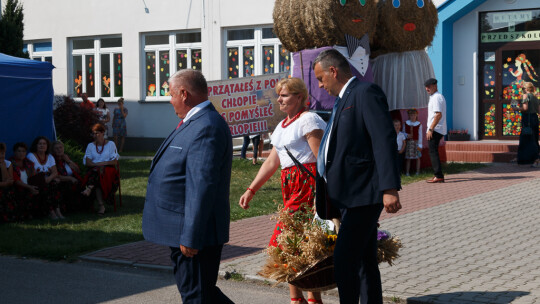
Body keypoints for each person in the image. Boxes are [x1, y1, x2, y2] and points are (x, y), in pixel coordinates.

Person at [312, 49, 401, 304]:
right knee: (363, 259)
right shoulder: (343, 98)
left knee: (344, 259)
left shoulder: (364, 93)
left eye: (321, 79)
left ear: (333, 71)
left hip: (365, 193)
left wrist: (389, 188)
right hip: (348, 195)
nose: (320, 86)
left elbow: (384, 140)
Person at [142, 69, 234, 304]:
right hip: (183, 229)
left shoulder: (207, 126)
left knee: (196, 296)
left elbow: (201, 185)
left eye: (171, 94)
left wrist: (191, 235)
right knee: (202, 293)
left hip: (194, 234)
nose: (169, 100)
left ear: (184, 94)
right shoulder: (195, 122)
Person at [239, 77, 326, 304]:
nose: (279, 99)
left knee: (287, 242)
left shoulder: (309, 120)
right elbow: (271, 162)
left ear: (299, 97)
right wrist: (251, 189)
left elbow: (323, 161)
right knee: (298, 244)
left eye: (285, 95)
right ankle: (299, 298)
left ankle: (307, 298)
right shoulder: (281, 126)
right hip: (290, 186)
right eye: (279, 95)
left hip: (308, 186)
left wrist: (322, 193)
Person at [82, 123, 120, 215]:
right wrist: (99, 166)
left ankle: (89, 189)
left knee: (97, 174)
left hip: (108, 171)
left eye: (97, 133)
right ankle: (101, 206)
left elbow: (114, 162)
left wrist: (100, 164)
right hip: (94, 171)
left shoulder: (110, 144)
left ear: (103, 132)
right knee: (97, 176)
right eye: (93, 133)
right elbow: (88, 163)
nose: (94, 136)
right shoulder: (90, 146)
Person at [27, 136, 64, 220]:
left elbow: (55, 172)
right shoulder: (31, 156)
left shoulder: (50, 157)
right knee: (49, 186)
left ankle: (58, 211)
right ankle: (52, 212)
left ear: (47, 146)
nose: (42, 145)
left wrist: (49, 178)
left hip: (48, 180)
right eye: (40, 144)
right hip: (36, 181)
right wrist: (48, 177)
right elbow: (33, 174)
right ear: (36, 145)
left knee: (53, 184)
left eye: (44, 144)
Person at [424, 78, 447, 183]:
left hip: (435, 129)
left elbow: (438, 115)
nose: (427, 88)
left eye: (429, 86)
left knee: (433, 152)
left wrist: (430, 129)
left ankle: (438, 175)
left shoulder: (436, 97)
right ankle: (438, 175)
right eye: (426, 87)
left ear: (434, 85)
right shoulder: (435, 97)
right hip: (437, 128)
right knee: (433, 151)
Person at [51, 140, 84, 212]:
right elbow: (56, 175)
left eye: (61, 147)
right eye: (57, 148)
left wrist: (69, 161)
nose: (59, 150)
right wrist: (70, 178)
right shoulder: (52, 160)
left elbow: (78, 170)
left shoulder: (66, 157)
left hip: (73, 180)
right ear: (53, 150)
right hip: (63, 181)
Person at [10, 142, 39, 220]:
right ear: (14, 152)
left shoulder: (30, 163)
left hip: (30, 186)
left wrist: (34, 187)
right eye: (19, 151)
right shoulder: (10, 163)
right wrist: (30, 187)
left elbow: (33, 178)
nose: (21, 153)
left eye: (23, 151)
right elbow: (15, 180)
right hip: (18, 187)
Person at [515, 82, 539, 166]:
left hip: (527, 119)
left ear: (526, 89)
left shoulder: (525, 96)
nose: (522, 90)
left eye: (523, 89)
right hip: (534, 118)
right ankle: (536, 159)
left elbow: (525, 108)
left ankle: (527, 159)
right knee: (534, 138)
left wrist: (516, 108)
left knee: (525, 138)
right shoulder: (535, 97)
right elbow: (538, 110)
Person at [0, 142, 16, 222]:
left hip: (4, 187)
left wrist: (3, 167)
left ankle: (7, 217)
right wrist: (5, 183)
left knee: (8, 191)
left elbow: (10, 181)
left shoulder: (7, 163)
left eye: (2, 153)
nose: (1, 155)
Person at [404, 109, 423, 176]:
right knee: (408, 158)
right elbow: (403, 132)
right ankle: (407, 172)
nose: (412, 116)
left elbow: (420, 135)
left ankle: (417, 172)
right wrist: (406, 135)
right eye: (411, 115)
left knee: (417, 157)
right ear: (409, 115)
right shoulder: (406, 123)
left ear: (416, 115)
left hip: (416, 143)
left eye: (414, 115)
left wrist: (420, 145)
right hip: (409, 143)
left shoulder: (419, 124)